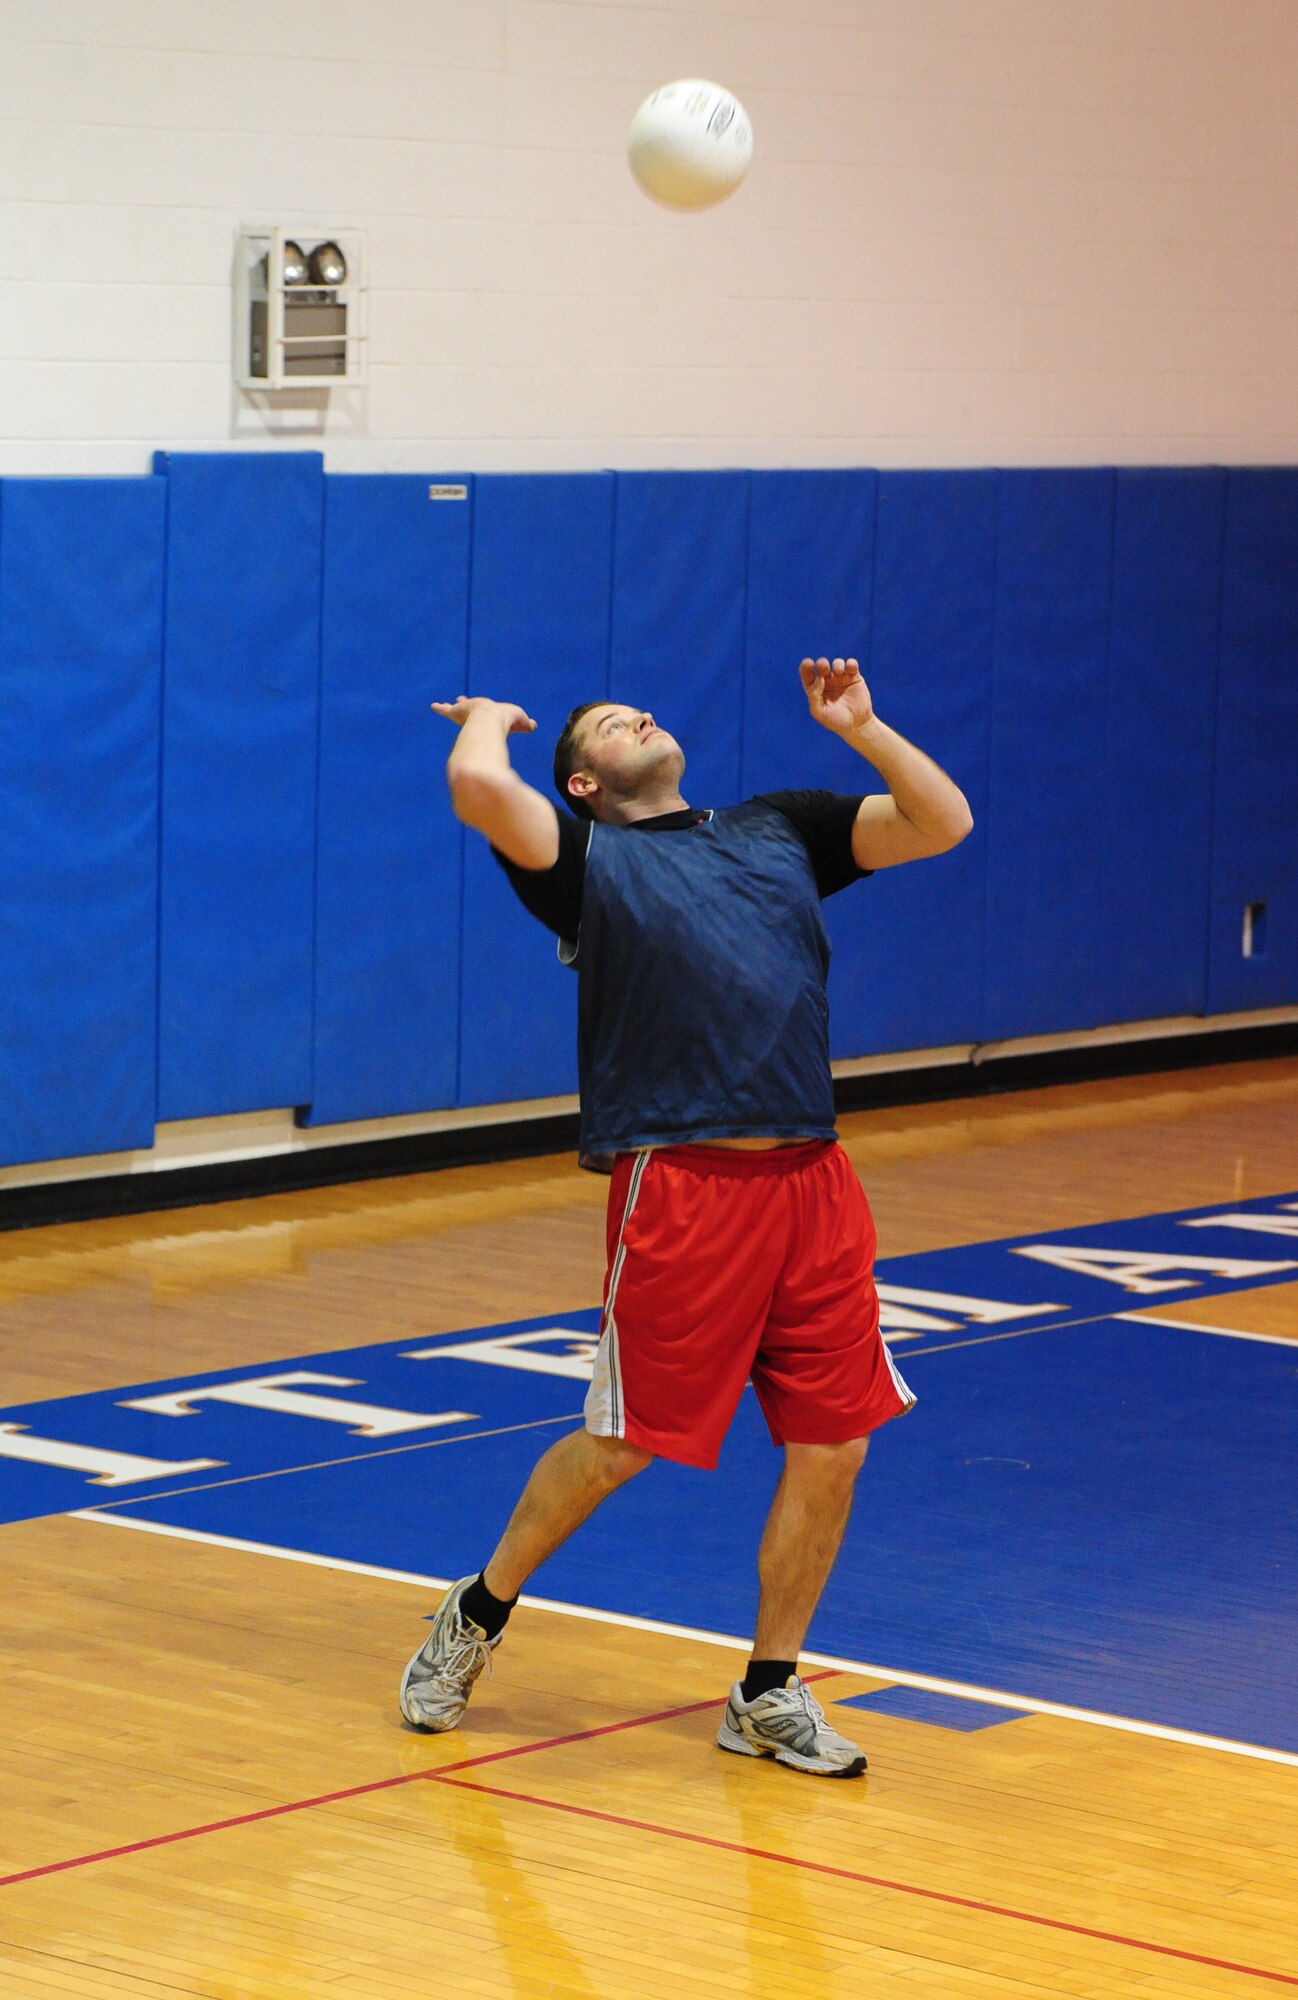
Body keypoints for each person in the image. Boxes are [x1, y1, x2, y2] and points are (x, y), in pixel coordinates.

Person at [399, 656, 972, 1777]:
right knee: (621, 1443)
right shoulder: (582, 863)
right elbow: (477, 793)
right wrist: (482, 723)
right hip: (682, 1185)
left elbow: (939, 820)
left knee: (835, 1441)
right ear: (582, 783)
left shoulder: (780, 827)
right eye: (613, 725)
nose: (641, 718)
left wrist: (862, 725)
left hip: (812, 1177)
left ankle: (766, 1688)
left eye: (642, 709)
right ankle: (476, 1607)